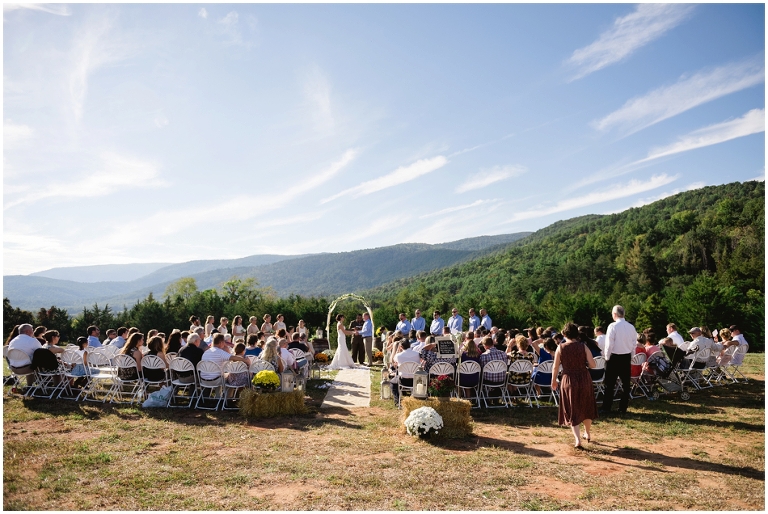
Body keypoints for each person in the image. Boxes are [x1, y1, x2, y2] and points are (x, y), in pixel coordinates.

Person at [551, 323, 598, 448]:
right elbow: (593, 365)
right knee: (586, 407)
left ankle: (577, 440)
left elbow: (555, 366)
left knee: (572, 409)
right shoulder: (583, 347)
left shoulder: (560, 348)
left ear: (564, 334)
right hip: (584, 378)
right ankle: (587, 433)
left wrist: (553, 380)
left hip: (568, 379)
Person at [601, 305, 637, 415]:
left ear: (615, 314)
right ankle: (623, 408)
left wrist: (607, 358)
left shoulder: (612, 326)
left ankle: (607, 407)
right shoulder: (631, 327)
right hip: (626, 357)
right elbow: (633, 344)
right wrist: (631, 356)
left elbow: (609, 344)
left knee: (609, 385)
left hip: (614, 357)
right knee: (626, 385)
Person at [390, 339, 421, 403]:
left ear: (401, 347)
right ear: (410, 345)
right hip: (416, 380)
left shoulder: (398, 356)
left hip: (403, 381)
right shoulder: (418, 354)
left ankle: (397, 401)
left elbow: (394, 363)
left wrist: (398, 351)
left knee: (392, 382)